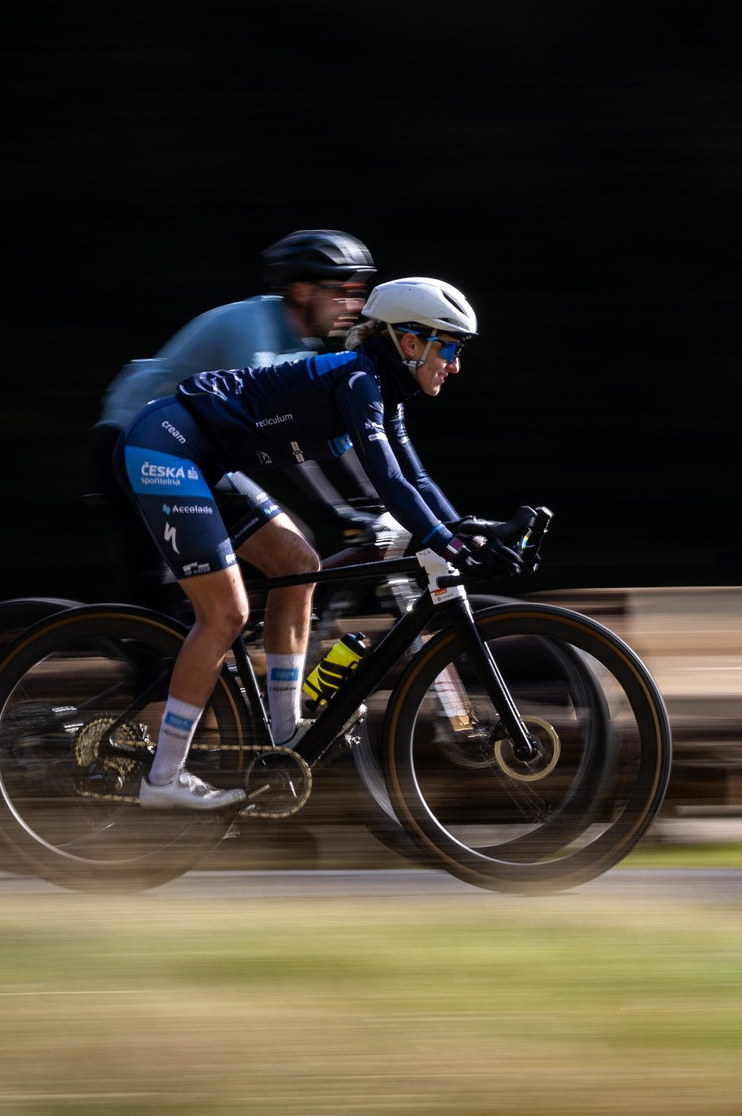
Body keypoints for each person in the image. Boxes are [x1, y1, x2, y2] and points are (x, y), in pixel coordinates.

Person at [113, 276, 524, 808]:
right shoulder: (359, 381)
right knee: (225, 616)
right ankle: (162, 780)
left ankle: (285, 733)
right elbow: (391, 483)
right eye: (449, 347)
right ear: (409, 341)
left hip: (206, 461)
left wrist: (469, 532)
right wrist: (448, 544)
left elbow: (418, 481)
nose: (455, 364)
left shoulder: (383, 390)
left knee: (296, 562)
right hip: (163, 448)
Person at [88, 230, 383, 612]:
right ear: (303, 291)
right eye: (344, 290)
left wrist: (373, 503)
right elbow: (282, 437)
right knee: (161, 602)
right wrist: (341, 513)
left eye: (359, 292)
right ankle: (155, 662)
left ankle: (252, 650)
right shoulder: (253, 334)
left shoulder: (296, 346)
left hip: (193, 458)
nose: (354, 304)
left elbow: (327, 437)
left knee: (293, 552)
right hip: (130, 447)